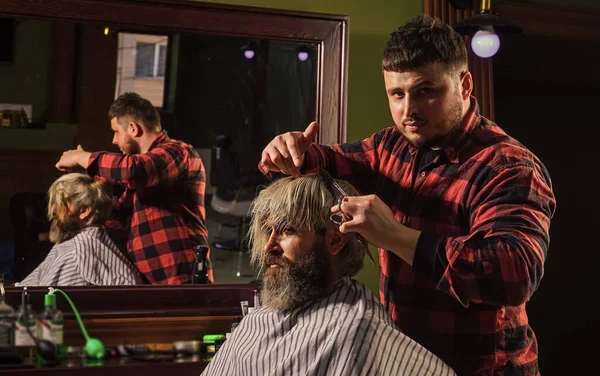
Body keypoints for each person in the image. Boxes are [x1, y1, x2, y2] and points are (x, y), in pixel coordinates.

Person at [259, 15, 556, 376]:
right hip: (406, 362)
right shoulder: (391, 146)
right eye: (396, 94)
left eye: (425, 91)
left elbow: (516, 273)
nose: (408, 111)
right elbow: (329, 161)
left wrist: (397, 237)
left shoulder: (507, 166)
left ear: (464, 85)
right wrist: (292, 153)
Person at [201, 174, 455, 376]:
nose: (269, 245)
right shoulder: (259, 318)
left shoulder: (354, 329)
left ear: (334, 241)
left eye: (288, 230)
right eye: (268, 230)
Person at [55, 92, 213, 284]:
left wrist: (82, 157)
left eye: (116, 132)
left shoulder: (178, 152)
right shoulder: (141, 178)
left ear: (133, 128)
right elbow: (119, 218)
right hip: (150, 277)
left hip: (180, 272)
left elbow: (133, 169)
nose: (114, 140)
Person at [16, 173, 143, 286]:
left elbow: (47, 302)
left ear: (83, 211)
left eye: (59, 204)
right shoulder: (80, 242)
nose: (52, 211)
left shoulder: (77, 252)